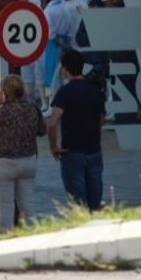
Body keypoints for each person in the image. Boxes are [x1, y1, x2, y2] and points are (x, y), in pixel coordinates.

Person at [0, 74, 46, 231]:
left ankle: (7, 243)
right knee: (28, 206)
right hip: (28, 161)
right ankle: (32, 240)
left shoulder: (3, 111)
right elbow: (42, 130)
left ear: (5, 93)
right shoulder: (32, 108)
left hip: (4, 163)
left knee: (6, 208)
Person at [47, 50, 106, 211]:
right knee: (95, 203)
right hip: (94, 151)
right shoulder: (94, 91)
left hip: (72, 152)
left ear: (65, 69)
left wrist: (53, 146)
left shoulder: (64, 92)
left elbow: (52, 124)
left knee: (78, 206)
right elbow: (101, 119)